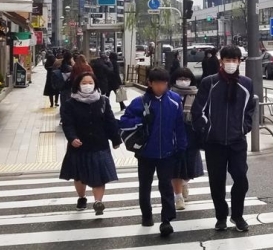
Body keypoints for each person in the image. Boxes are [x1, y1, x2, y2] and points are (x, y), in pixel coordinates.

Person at [191, 45, 255, 232]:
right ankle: (221, 217)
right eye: (228, 60)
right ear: (221, 61)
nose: (231, 64)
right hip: (214, 143)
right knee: (217, 182)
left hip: (237, 142)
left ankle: (238, 215)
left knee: (241, 179)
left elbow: (250, 109)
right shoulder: (209, 82)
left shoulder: (246, 83)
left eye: (234, 60)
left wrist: (244, 127)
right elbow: (198, 110)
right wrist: (207, 130)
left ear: (239, 62)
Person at [119, 68, 187, 237]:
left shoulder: (175, 100)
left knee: (166, 186)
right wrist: (140, 120)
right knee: (145, 186)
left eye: (164, 84)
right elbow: (124, 122)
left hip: (168, 152)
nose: (160, 87)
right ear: (149, 83)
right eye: (157, 83)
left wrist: (182, 147)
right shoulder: (139, 102)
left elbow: (179, 125)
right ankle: (147, 215)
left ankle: (167, 220)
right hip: (145, 153)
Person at [60, 73, 121, 216]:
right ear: (78, 85)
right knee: (80, 176)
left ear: (95, 84)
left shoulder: (103, 101)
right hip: (79, 145)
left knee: (99, 175)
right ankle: (82, 197)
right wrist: (72, 138)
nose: (87, 85)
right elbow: (67, 123)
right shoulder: (70, 104)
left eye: (90, 82)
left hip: (99, 144)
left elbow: (110, 121)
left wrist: (116, 139)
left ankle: (98, 202)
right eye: (84, 83)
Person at [170, 68, 204, 210]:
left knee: (190, 166)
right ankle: (178, 197)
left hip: (192, 135)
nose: (183, 81)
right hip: (173, 137)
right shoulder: (169, 95)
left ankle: (185, 182)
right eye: (180, 78)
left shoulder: (197, 95)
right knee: (175, 168)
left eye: (186, 78)